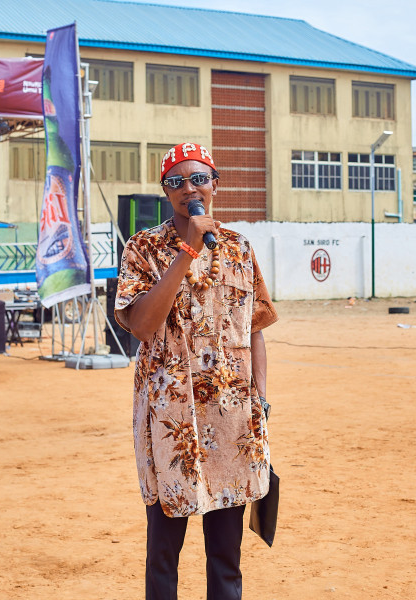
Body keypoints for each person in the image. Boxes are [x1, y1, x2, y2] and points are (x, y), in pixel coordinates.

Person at [114, 142, 278, 600]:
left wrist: (260, 399)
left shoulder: (239, 249)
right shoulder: (143, 249)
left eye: (198, 179)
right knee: (164, 554)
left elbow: (255, 327)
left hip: (232, 420)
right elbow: (143, 326)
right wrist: (185, 252)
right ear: (165, 193)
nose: (189, 188)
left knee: (226, 556)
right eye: (176, 181)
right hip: (172, 423)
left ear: (215, 186)